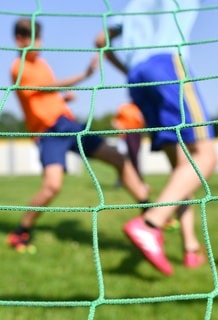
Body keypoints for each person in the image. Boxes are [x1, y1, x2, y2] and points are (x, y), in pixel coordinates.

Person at [95, 0, 216, 276]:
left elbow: (100, 40)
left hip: (138, 77)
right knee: (205, 156)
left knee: (184, 170)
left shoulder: (134, 4)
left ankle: (190, 246)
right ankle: (150, 224)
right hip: (167, 64)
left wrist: (127, 68)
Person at [7, 18, 149, 252]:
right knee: (52, 187)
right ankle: (21, 232)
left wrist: (63, 100)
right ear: (20, 40)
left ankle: (150, 212)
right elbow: (46, 89)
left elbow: (44, 97)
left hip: (67, 124)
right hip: (49, 133)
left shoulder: (42, 65)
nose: (39, 44)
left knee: (117, 157)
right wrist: (83, 76)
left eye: (40, 38)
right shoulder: (18, 67)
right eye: (34, 38)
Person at [112, 102, 145, 181]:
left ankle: (137, 179)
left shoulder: (140, 107)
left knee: (134, 156)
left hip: (136, 134)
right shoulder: (124, 108)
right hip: (124, 135)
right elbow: (115, 121)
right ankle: (121, 179)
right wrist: (119, 127)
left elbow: (143, 121)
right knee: (123, 156)